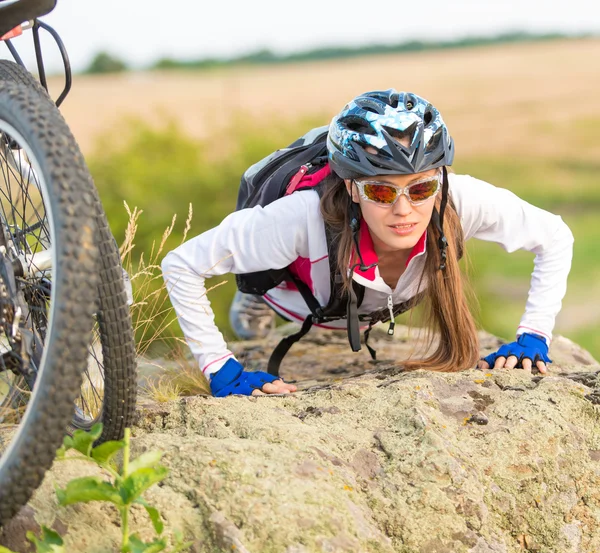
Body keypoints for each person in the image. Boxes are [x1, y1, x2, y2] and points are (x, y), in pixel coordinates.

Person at [161, 89, 573, 398]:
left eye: (421, 187)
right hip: (298, 298)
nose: (404, 209)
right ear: (353, 189)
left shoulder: (460, 199)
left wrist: (534, 334)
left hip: (382, 303)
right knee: (252, 317)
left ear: (439, 180)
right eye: (380, 192)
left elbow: (555, 236)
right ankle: (255, 301)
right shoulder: (299, 218)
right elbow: (181, 264)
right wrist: (220, 368)